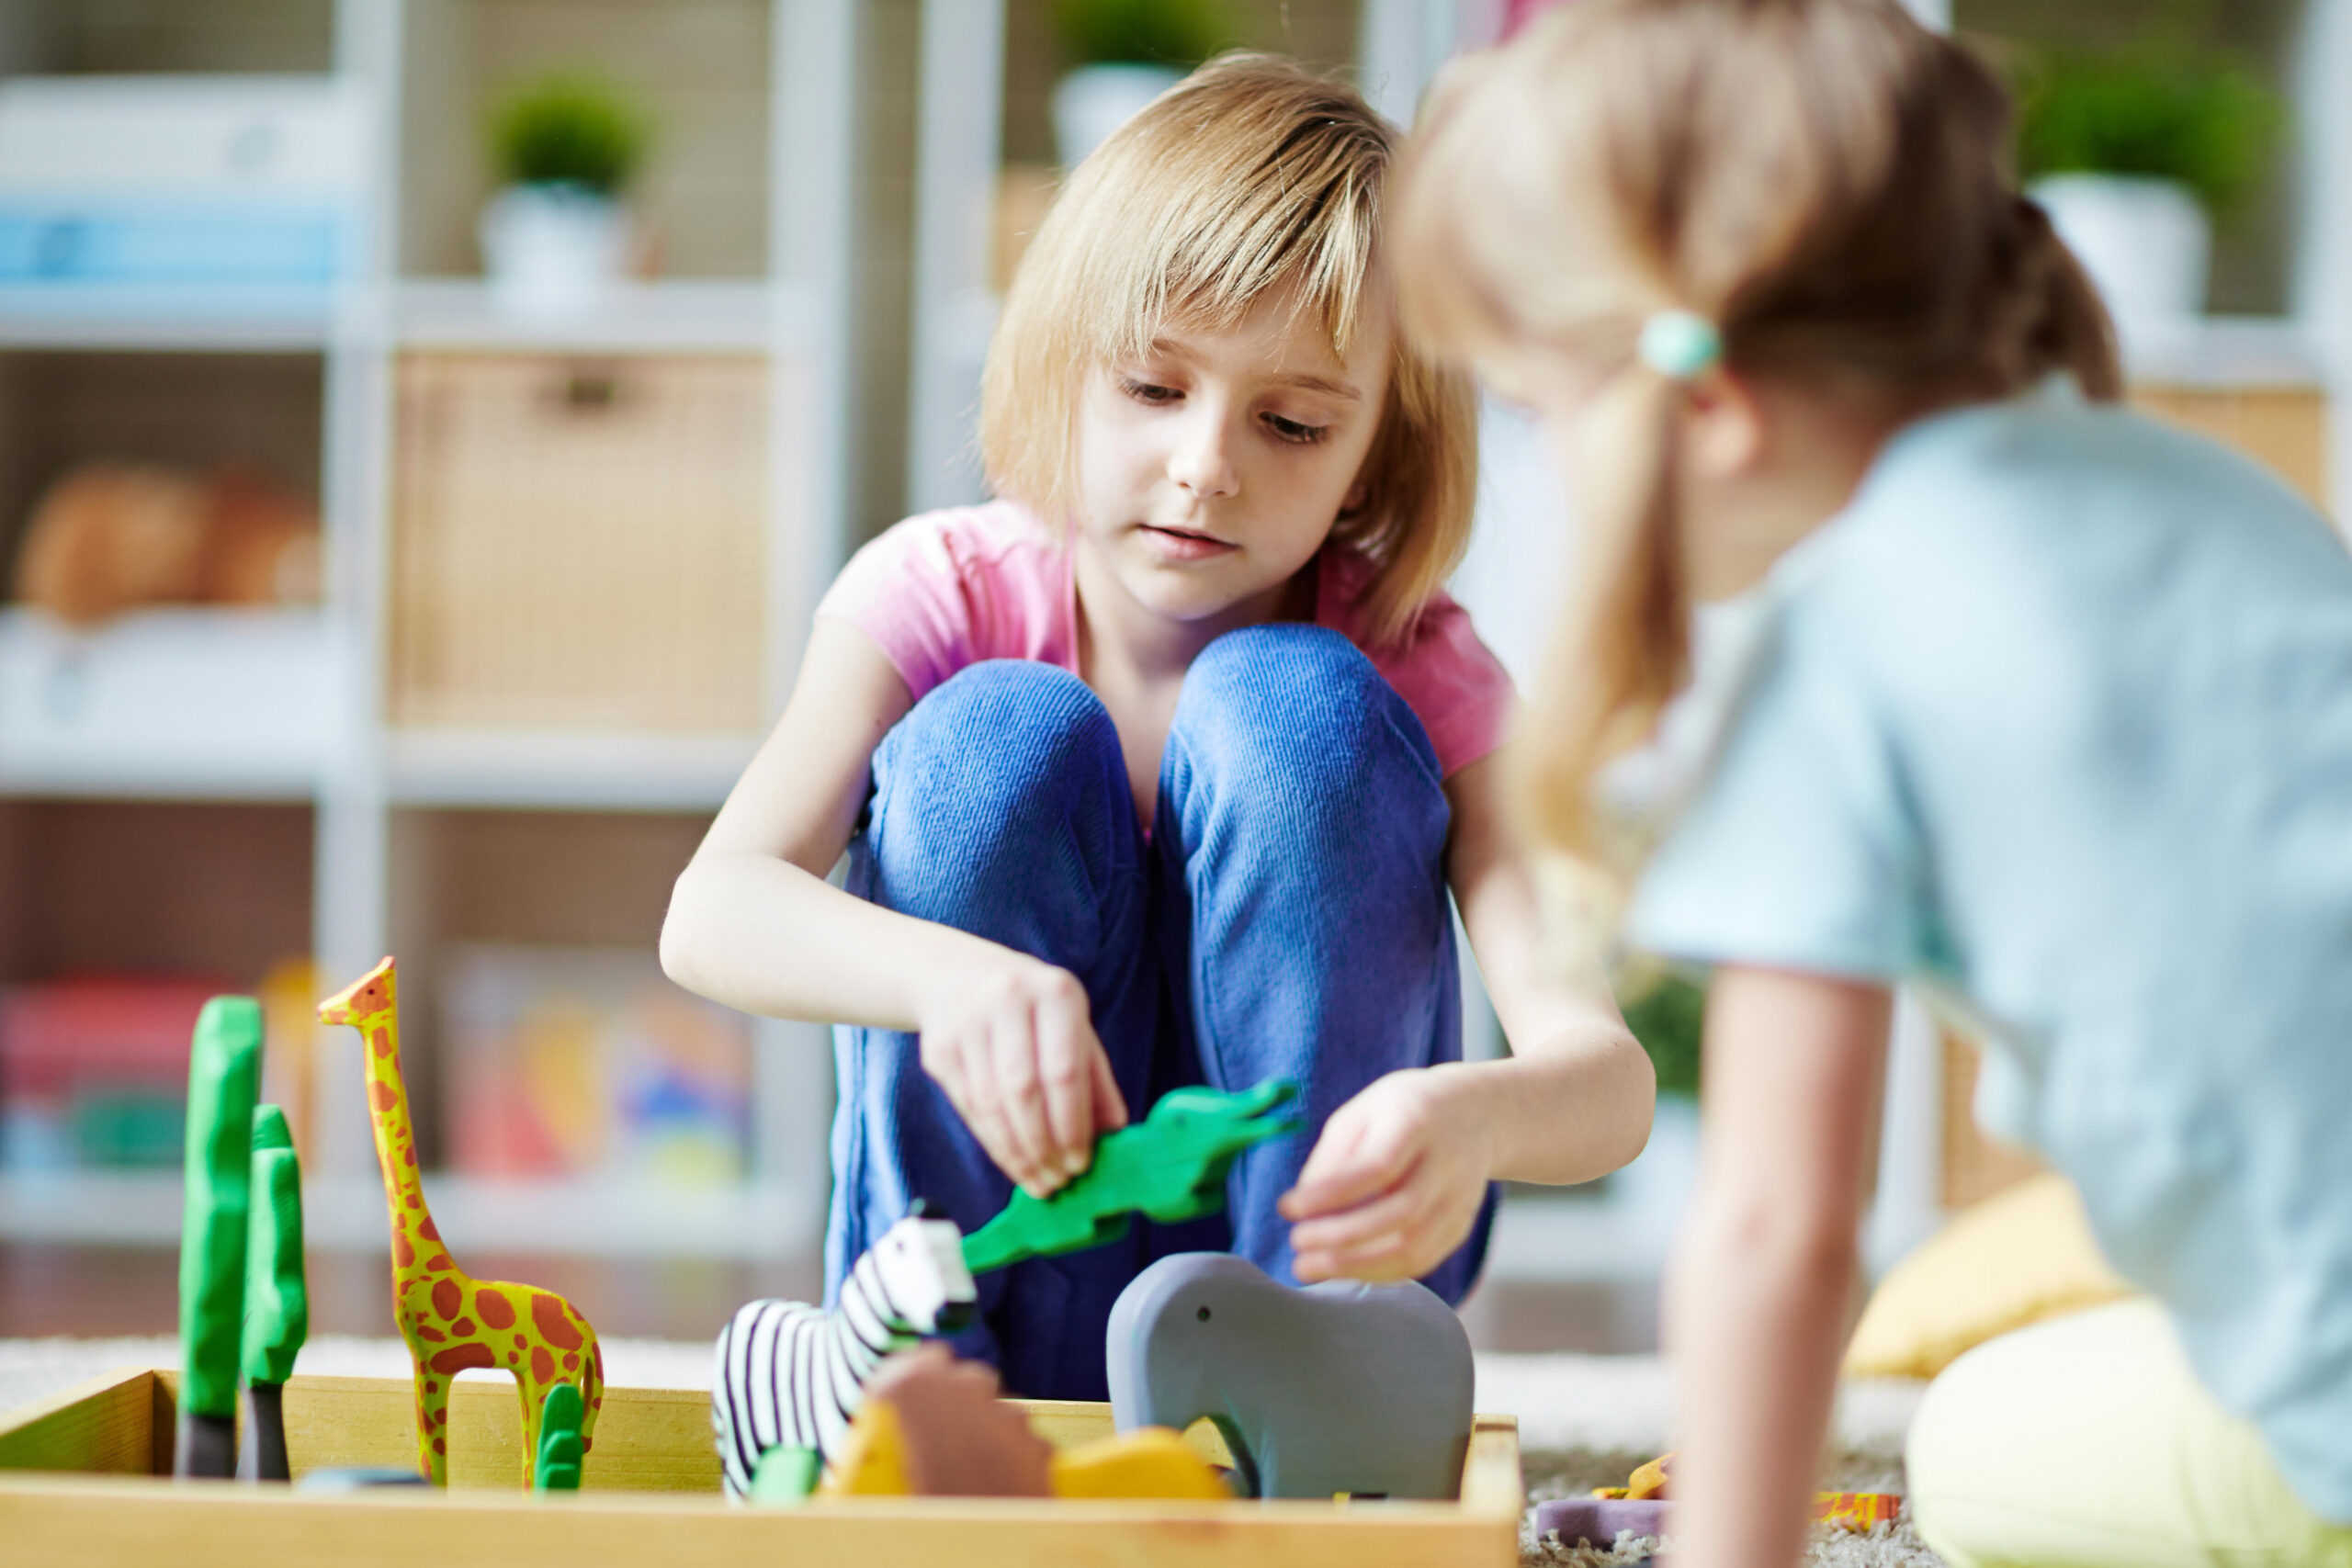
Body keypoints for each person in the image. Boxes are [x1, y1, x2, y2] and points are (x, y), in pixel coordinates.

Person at [1396, 2, 2352, 1562]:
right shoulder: (2224, 494)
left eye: (1543, 413)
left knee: (1974, 1437)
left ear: (1701, 404)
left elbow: (1778, 1232)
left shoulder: (1836, 664)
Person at [662, 54, 1654, 1401]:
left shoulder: (1423, 662)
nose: (1206, 464)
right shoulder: (937, 592)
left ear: (1380, 451)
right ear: (1065, 365)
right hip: (986, 1279)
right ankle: (918, 1378)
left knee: (1289, 709)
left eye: (1293, 422)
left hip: (1309, 1293)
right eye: (1151, 388)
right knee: (999, 737)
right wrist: (947, 980)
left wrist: (1469, 1117)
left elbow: (1605, 1079)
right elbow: (712, 908)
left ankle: (1314, 1372)